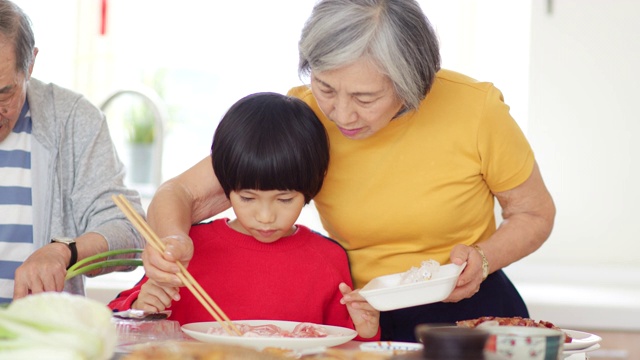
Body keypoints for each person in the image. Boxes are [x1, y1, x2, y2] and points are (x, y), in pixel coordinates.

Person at [142, 0, 555, 342]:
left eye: (364, 97)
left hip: (468, 310)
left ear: (414, 84)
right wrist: (171, 241)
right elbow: (181, 194)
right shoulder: (302, 116)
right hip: (358, 315)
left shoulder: (474, 109)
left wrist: (483, 260)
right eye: (325, 87)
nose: (341, 113)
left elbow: (534, 213)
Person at [108, 92, 379, 339]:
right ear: (225, 187)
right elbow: (115, 318)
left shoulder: (328, 259)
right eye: (247, 198)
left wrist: (367, 332)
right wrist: (141, 307)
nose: (265, 216)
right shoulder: (189, 247)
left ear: (312, 186)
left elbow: (344, 345)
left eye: (285, 199)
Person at [0, 0, 144, 304]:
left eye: (4, 93)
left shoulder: (73, 119)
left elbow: (130, 231)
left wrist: (63, 250)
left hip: (40, 345)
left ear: (30, 65)